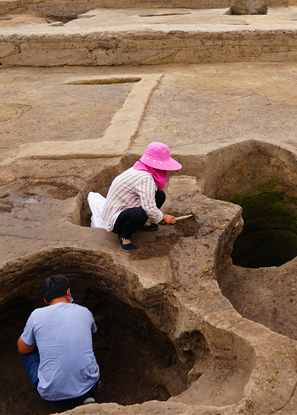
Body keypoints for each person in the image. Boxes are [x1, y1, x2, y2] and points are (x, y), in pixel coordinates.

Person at [17, 275, 99, 407]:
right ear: (68, 292)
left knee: (27, 350)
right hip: (89, 386)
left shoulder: (36, 316)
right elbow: (93, 334)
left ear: (45, 300)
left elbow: (23, 349)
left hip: (53, 396)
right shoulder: (84, 311)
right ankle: (87, 396)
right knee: (85, 342)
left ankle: (57, 388)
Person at [100, 142, 181, 252]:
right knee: (139, 214)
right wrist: (162, 217)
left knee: (160, 195)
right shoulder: (145, 178)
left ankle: (140, 223)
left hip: (126, 208)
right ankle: (124, 236)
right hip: (116, 219)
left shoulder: (142, 168)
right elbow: (149, 208)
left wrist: (159, 217)